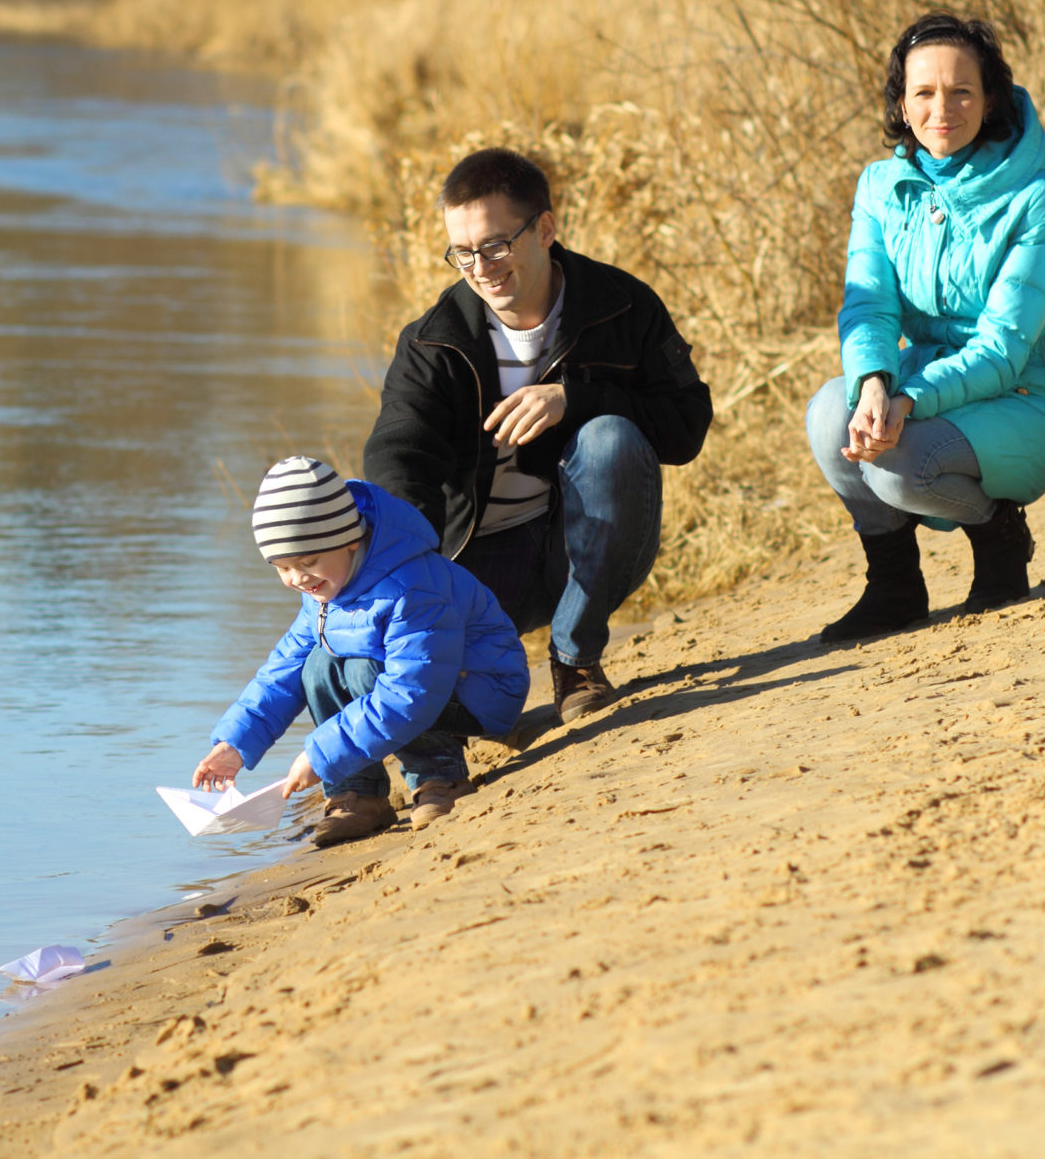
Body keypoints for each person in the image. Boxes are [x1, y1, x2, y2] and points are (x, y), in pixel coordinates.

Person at [362, 148, 712, 722]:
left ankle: (575, 660)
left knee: (609, 441)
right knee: (407, 675)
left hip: (586, 550)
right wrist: (399, 567)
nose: (481, 267)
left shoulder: (623, 307)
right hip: (473, 566)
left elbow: (687, 428)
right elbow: (400, 453)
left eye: (496, 245)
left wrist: (579, 400)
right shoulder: (432, 342)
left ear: (545, 229)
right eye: (463, 253)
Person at [804, 11, 1045, 642]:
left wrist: (908, 399)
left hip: (1021, 397)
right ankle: (895, 585)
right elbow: (868, 304)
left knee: (898, 464)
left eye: (962, 90)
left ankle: (999, 537)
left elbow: (1003, 348)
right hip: (922, 382)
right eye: (924, 92)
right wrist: (875, 382)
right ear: (901, 104)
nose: (943, 109)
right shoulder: (881, 186)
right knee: (831, 413)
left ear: (990, 98)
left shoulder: (1038, 196)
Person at [192, 456, 529, 846]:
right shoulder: (322, 591)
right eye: (281, 567)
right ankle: (358, 794)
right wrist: (234, 744)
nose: (297, 579)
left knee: (361, 671)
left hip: (480, 692)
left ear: (350, 539)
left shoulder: (412, 588)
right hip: (422, 691)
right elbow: (283, 669)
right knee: (317, 666)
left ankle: (441, 776)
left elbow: (411, 692)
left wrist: (321, 756)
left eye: (308, 561)